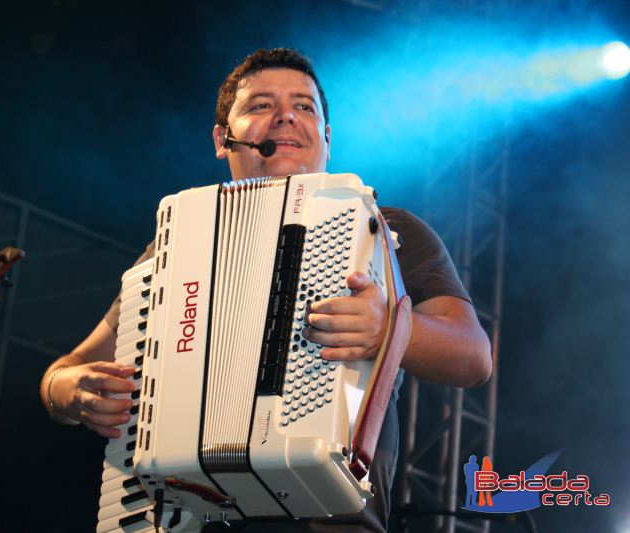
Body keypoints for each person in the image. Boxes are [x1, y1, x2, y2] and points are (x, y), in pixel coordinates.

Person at [40, 48, 492, 532]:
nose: (285, 118)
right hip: (183, 516)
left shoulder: (388, 230)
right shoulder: (174, 243)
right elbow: (62, 373)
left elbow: (474, 358)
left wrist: (390, 331)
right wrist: (73, 393)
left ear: (326, 137)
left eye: (304, 107)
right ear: (222, 138)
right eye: (260, 105)